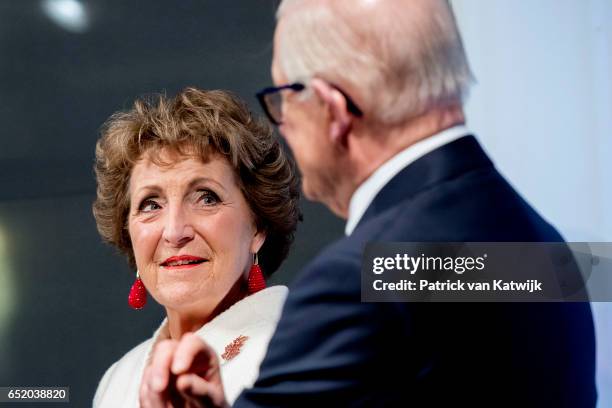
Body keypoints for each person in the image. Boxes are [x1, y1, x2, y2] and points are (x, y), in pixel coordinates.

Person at [144, 0, 597, 406]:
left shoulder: (359, 280)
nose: (283, 126)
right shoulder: (546, 250)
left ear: (331, 109)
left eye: (282, 99)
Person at [91, 88, 300, 407]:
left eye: (207, 198)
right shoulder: (119, 378)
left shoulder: (302, 348)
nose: (174, 232)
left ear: (258, 226)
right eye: (150, 204)